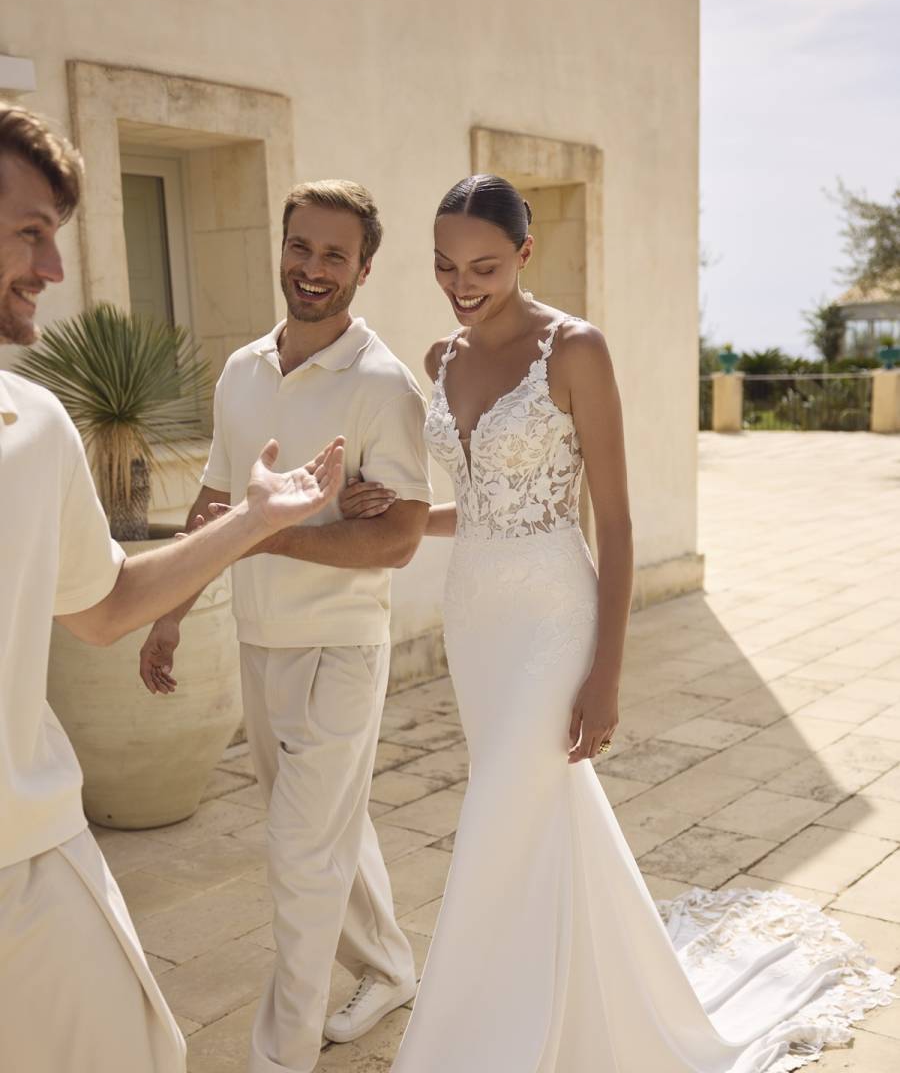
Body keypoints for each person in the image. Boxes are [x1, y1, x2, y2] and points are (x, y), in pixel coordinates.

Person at [339, 174, 894, 1072]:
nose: (461, 284)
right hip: (475, 619)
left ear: (525, 254)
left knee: (496, 814)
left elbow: (618, 518)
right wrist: (391, 511)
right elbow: (473, 510)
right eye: (444, 267)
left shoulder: (574, 350)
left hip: (553, 616)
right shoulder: (440, 361)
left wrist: (607, 672)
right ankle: (566, 993)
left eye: (482, 265)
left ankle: (474, 1042)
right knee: (534, 813)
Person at [0, 102, 344, 1073]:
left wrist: (253, 521)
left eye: (57, 238)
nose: (53, 270)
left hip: (28, 855)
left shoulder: (34, 425)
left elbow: (104, 607)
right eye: (31, 232)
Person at [138, 180, 432, 1073]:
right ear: (283, 246)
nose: (312, 269)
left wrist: (276, 536)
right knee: (326, 830)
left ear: (364, 269)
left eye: (334, 255)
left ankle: (281, 1056)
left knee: (300, 858)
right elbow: (215, 504)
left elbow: (401, 537)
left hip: (340, 652)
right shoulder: (239, 371)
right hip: (261, 647)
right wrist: (169, 613)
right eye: (301, 247)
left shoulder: (384, 385)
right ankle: (387, 965)